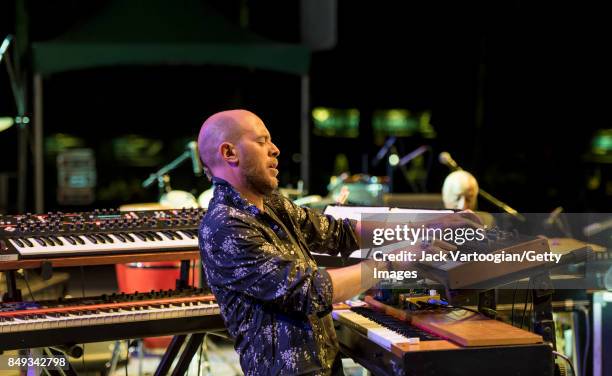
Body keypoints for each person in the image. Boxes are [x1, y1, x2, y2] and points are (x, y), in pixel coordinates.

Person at [197, 109, 393, 375]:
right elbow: (309, 290)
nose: (275, 149)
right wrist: (389, 264)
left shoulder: (275, 205)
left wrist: (423, 230)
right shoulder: (224, 226)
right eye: (261, 141)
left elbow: (339, 233)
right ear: (229, 153)